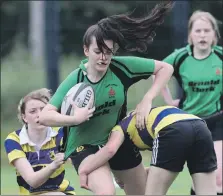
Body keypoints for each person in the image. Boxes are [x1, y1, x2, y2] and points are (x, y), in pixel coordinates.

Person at [39, 1, 174, 195]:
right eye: (98, 51)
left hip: (117, 138)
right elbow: (45, 116)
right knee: (106, 193)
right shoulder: (76, 79)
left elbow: (165, 68)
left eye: (108, 52)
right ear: (86, 50)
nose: (103, 57)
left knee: (142, 193)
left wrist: (147, 98)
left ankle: (128, 176)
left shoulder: (120, 68)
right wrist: (75, 119)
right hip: (83, 147)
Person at [78, 105, 217, 195]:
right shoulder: (147, 116)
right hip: (200, 126)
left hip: (172, 130)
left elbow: (110, 149)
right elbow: (168, 163)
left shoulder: (118, 127)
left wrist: (85, 169)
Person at [156, 10, 222, 195]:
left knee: (218, 177)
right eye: (198, 31)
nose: (202, 35)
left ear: (214, 35)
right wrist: (169, 102)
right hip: (188, 123)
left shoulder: (220, 57)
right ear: (190, 35)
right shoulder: (180, 57)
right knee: (199, 176)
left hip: (217, 121)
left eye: (207, 31)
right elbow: (157, 72)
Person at [4, 88, 76, 195]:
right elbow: (33, 181)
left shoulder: (61, 134)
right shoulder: (14, 140)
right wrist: (54, 164)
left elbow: (80, 159)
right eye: (33, 111)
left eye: (43, 109)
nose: (39, 115)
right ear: (24, 118)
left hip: (62, 192)